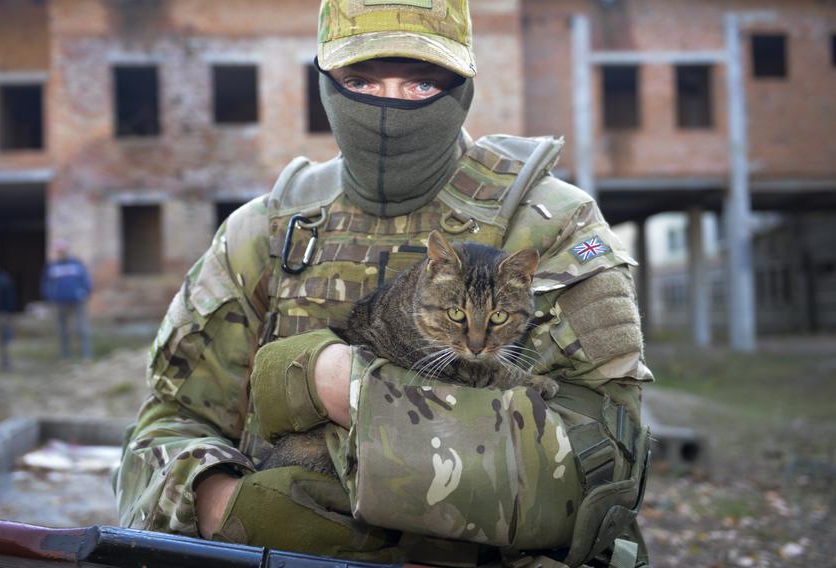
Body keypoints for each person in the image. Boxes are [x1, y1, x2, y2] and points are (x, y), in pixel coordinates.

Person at [115, 2, 653, 566]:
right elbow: (167, 420)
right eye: (360, 80)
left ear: (463, 85)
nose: (388, 106)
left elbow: (606, 465)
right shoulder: (266, 230)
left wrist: (342, 389)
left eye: (421, 82)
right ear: (326, 85)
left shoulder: (552, 225)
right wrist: (218, 503)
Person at [41, 241, 92, 360]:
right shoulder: (52, 267)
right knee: (63, 331)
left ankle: (86, 356)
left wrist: (85, 292)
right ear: (56, 253)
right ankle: (65, 357)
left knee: (82, 329)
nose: (61, 253)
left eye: (63, 251)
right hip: (60, 302)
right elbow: (46, 284)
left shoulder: (77, 264)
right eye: (59, 251)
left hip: (77, 301)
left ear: (67, 251)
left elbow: (85, 280)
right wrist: (51, 297)